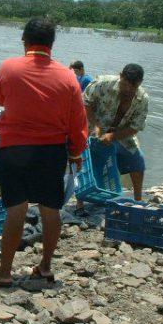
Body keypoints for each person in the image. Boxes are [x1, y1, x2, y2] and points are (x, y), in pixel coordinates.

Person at [0, 17, 88, 287]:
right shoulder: (68, 76)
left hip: (14, 149)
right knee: (51, 209)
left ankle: (5, 271)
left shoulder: (8, 68)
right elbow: (78, 122)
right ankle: (45, 266)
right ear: (52, 45)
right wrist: (76, 153)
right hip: (51, 151)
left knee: (16, 211)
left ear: (24, 41)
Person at [83, 63, 149, 201]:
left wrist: (113, 136)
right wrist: (95, 125)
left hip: (122, 134)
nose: (128, 89)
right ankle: (80, 202)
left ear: (140, 83)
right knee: (86, 162)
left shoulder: (142, 99)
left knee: (138, 161)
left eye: (133, 86)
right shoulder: (103, 83)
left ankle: (138, 200)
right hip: (94, 129)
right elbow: (85, 102)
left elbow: (136, 127)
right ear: (120, 76)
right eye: (125, 84)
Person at [69, 61, 95, 216]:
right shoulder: (79, 78)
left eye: (74, 70)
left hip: (84, 115)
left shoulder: (87, 79)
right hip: (80, 114)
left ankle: (80, 197)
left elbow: (82, 98)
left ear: (80, 69)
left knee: (83, 153)